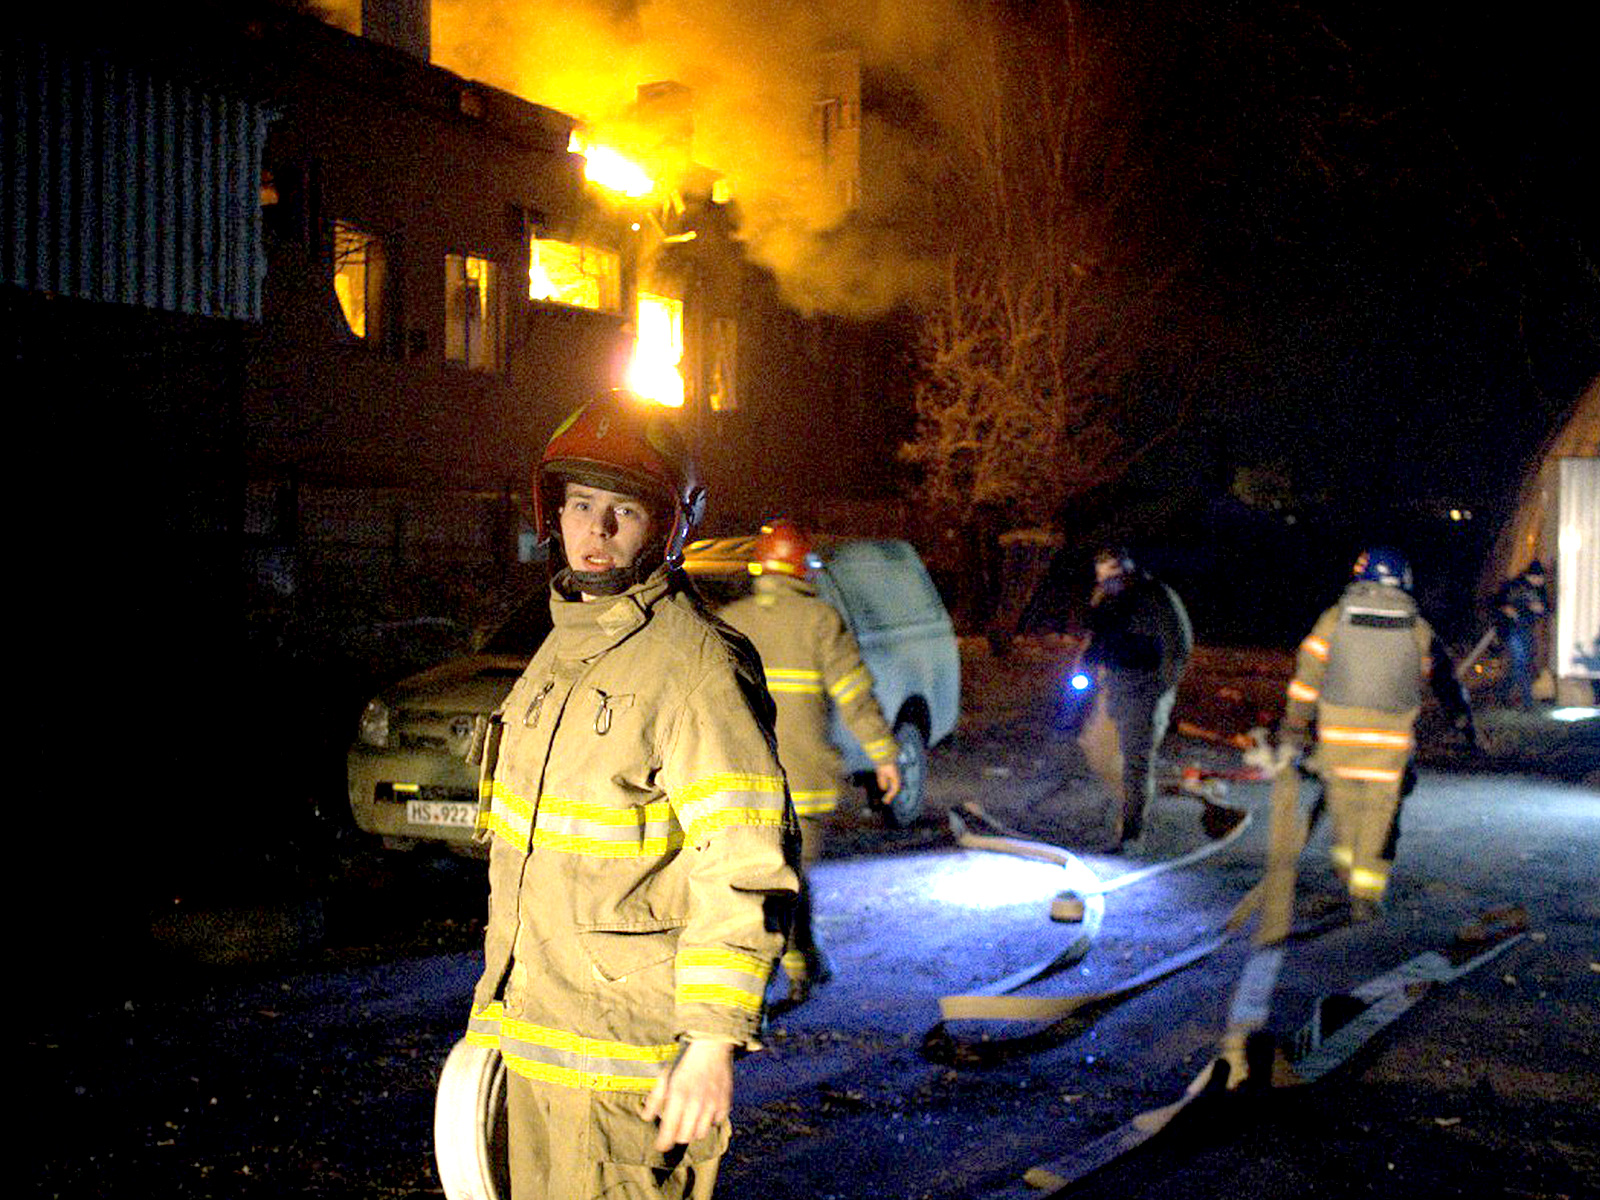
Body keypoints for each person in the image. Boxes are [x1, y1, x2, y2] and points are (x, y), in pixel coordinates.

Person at [465, 390, 800, 1200]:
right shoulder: (560, 647)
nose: (597, 529)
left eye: (623, 510)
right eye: (581, 504)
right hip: (528, 1058)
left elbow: (744, 866)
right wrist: (486, 1033)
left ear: (670, 527)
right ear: (555, 512)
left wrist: (714, 1043)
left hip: (625, 1080)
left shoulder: (696, 667)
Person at [718, 520, 901, 1007]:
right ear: (804, 569)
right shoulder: (821, 621)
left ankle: (796, 969)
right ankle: (779, 982)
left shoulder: (730, 621)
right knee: (791, 880)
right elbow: (856, 699)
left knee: (761, 884)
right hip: (802, 785)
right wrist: (885, 756)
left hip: (739, 787)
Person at [1280, 547, 1433, 920]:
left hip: (1339, 736)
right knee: (1379, 814)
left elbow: (1308, 676)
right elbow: (1421, 679)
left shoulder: (1336, 619)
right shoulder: (1417, 627)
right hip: (1390, 740)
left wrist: (1296, 723)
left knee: (1344, 808)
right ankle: (1366, 894)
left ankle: (1347, 876)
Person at [1075, 546, 1193, 850]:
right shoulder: (1104, 597)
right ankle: (1129, 800)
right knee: (1096, 747)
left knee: (1135, 761)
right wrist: (1084, 671)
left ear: (1128, 572)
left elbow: (1178, 646)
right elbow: (1094, 636)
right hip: (1113, 683)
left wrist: (1160, 690)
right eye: (1103, 579)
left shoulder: (1156, 598)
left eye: (1114, 577)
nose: (1108, 585)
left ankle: (1131, 831)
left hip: (1145, 688)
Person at [1492, 560, 1550, 710]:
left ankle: (1503, 695)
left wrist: (1541, 609)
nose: (1542, 582)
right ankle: (1527, 700)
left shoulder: (1539, 589)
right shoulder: (1514, 586)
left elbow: (1545, 607)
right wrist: (1506, 609)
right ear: (1533, 576)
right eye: (1540, 578)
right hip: (1512, 629)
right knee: (1520, 662)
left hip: (1526, 629)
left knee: (1520, 663)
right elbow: (1497, 602)